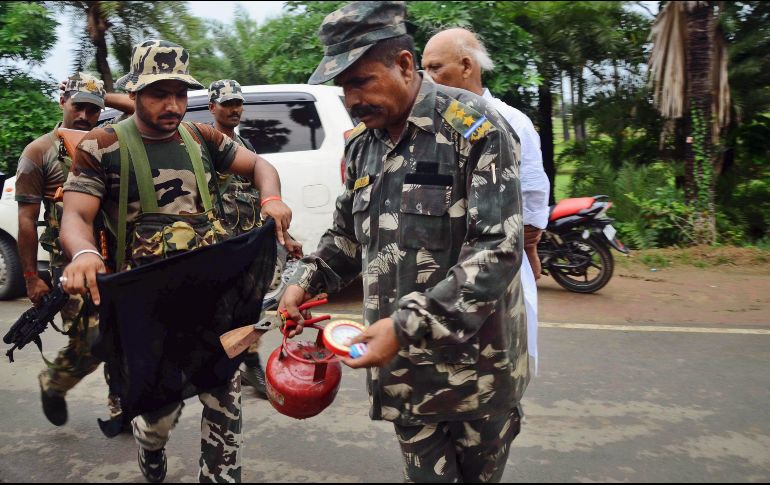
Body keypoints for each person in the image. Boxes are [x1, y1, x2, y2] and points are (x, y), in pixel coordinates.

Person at [279, 2, 529, 482]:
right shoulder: (360, 145)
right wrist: (302, 279)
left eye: (362, 81)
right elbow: (346, 239)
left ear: (405, 65)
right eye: (343, 86)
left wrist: (405, 324)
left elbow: (499, 247)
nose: (351, 99)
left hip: (476, 374)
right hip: (406, 376)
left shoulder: (473, 128)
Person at [59, 40, 292, 483]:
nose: (173, 105)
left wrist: (273, 197)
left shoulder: (203, 137)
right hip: (149, 304)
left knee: (225, 398)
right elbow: (76, 214)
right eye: (159, 94)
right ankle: (149, 445)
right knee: (157, 415)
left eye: (180, 94)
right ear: (134, 93)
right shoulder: (103, 145)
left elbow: (260, 167)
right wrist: (85, 252)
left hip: (211, 297)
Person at [422, 27, 550, 372]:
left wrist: (530, 248)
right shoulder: (425, 124)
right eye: (424, 70)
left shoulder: (509, 122)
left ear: (466, 66)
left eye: (435, 68)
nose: (427, 79)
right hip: (436, 276)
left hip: (493, 273)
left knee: (494, 365)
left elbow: (533, 197)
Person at [14, 72, 133, 427]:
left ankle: (120, 404)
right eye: (79, 105)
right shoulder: (39, 153)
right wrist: (31, 278)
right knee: (91, 342)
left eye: (93, 110)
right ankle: (55, 382)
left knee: (123, 335)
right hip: (73, 266)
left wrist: (103, 97)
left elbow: (139, 107)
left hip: (118, 258)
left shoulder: (109, 142)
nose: (85, 115)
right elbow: (25, 221)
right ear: (62, 101)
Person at [207, 79, 302, 400]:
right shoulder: (203, 146)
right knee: (223, 309)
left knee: (255, 304)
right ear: (212, 108)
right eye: (227, 104)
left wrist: (285, 237)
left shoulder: (246, 146)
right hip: (219, 245)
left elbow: (263, 194)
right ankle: (229, 368)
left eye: (238, 103)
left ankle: (249, 360)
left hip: (250, 241)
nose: (235, 109)